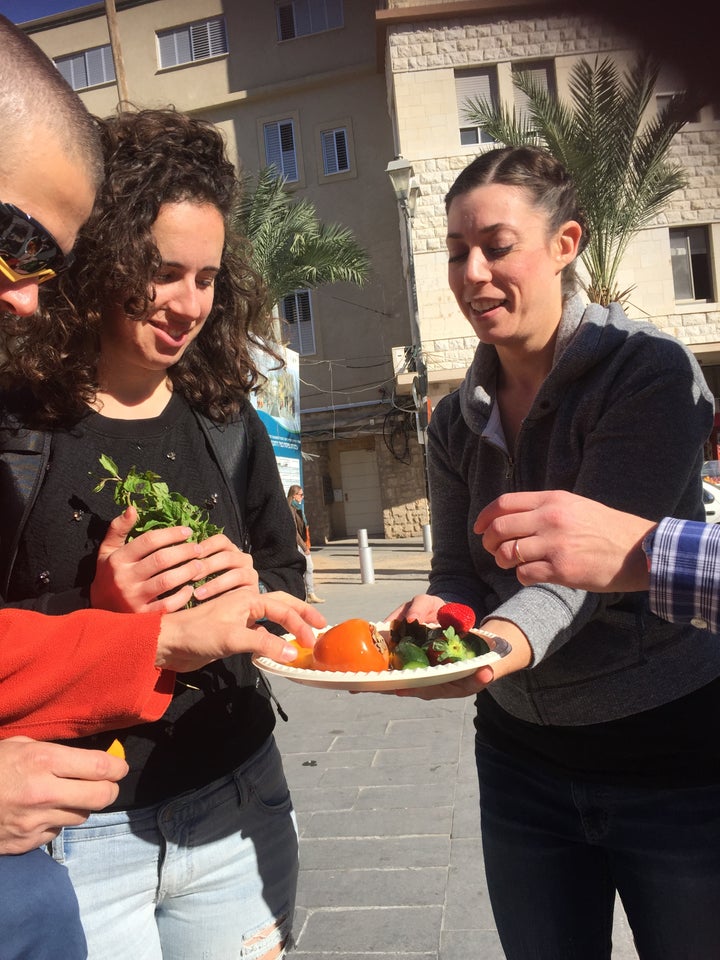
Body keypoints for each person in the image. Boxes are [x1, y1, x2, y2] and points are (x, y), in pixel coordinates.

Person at [0, 16, 323, 960]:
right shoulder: (19, 421)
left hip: (236, 797)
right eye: (161, 272)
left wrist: (261, 601)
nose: (187, 304)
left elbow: (285, 573)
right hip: (74, 833)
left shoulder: (226, 417)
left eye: (208, 279)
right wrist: (106, 613)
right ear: (99, 262)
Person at [388, 145, 720, 959]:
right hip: (519, 763)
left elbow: (591, 573)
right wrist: (443, 621)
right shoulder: (451, 417)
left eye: (497, 247)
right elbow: (459, 570)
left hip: (671, 758)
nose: (472, 274)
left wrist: (492, 649)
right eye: (457, 252)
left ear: (566, 243)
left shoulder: (647, 374)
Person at [287, 484, 325, 603]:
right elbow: (293, 530)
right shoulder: (290, 508)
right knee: (307, 567)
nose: (303, 497)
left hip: (300, 542)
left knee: (306, 568)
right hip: (296, 543)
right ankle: (307, 594)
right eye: (301, 494)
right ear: (294, 496)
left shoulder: (296, 507)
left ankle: (309, 593)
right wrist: (304, 547)